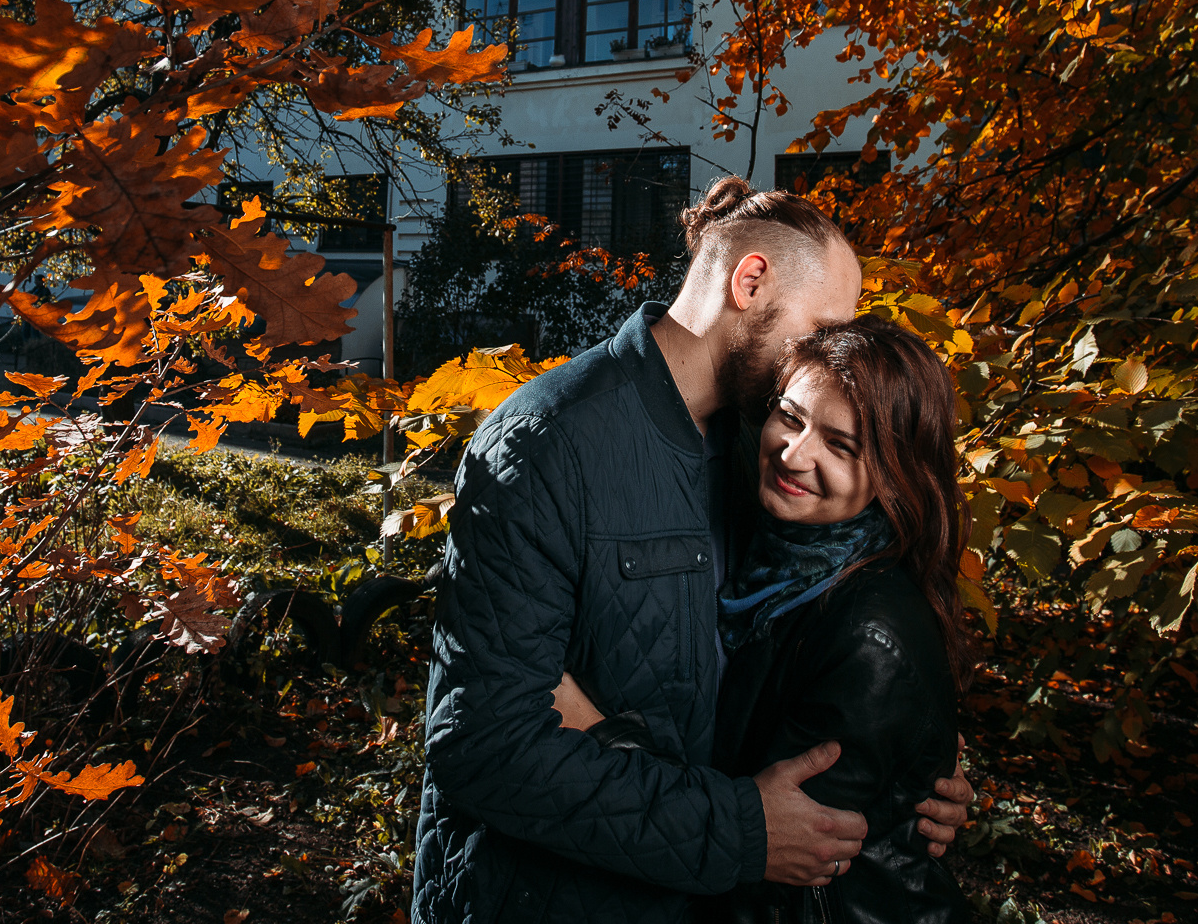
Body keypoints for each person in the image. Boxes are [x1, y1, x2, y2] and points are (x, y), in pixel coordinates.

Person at [412, 178, 973, 922]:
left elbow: (819, 650)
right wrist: (737, 828)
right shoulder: (549, 442)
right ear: (750, 282)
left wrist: (903, 771)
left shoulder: (762, 452)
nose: (828, 355)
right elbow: (481, 746)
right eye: (823, 325)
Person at [556, 317, 974, 923]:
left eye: (842, 445)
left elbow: (771, 854)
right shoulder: (779, 558)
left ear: (894, 474)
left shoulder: (867, 634)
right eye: (791, 416)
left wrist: (600, 735)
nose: (794, 452)